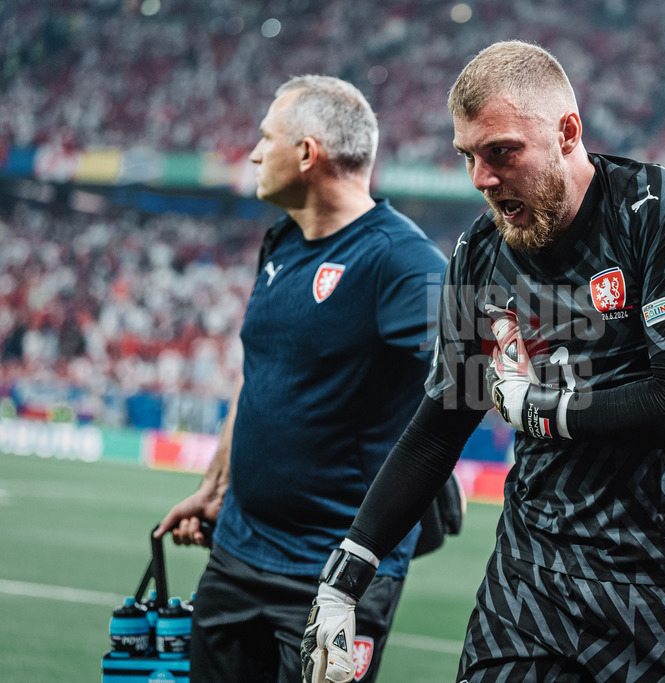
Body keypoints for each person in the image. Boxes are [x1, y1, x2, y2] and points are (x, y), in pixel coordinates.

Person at [300, 40, 665, 683]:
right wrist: (347, 572)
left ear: (568, 133)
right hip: (530, 584)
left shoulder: (663, 212)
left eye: (502, 152)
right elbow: (439, 427)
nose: (482, 177)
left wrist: (539, 410)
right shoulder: (480, 253)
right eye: (468, 157)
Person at [153, 75, 447, 683]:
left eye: (265, 138)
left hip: (337, 577)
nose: (255, 153)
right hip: (235, 553)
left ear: (308, 154)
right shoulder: (280, 243)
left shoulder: (403, 261)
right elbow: (258, 376)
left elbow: (471, 379)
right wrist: (215, 487)